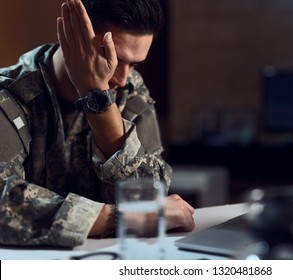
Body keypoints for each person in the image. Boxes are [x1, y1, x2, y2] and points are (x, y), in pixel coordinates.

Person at [0, 0, 195, 247]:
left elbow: (149, 194)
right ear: (73, 36)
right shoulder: (7, 97)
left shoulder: (130, 91)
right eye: (110, 56)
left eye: (133, 64)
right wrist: (118, 217)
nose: (123, 79)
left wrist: (97, 98)